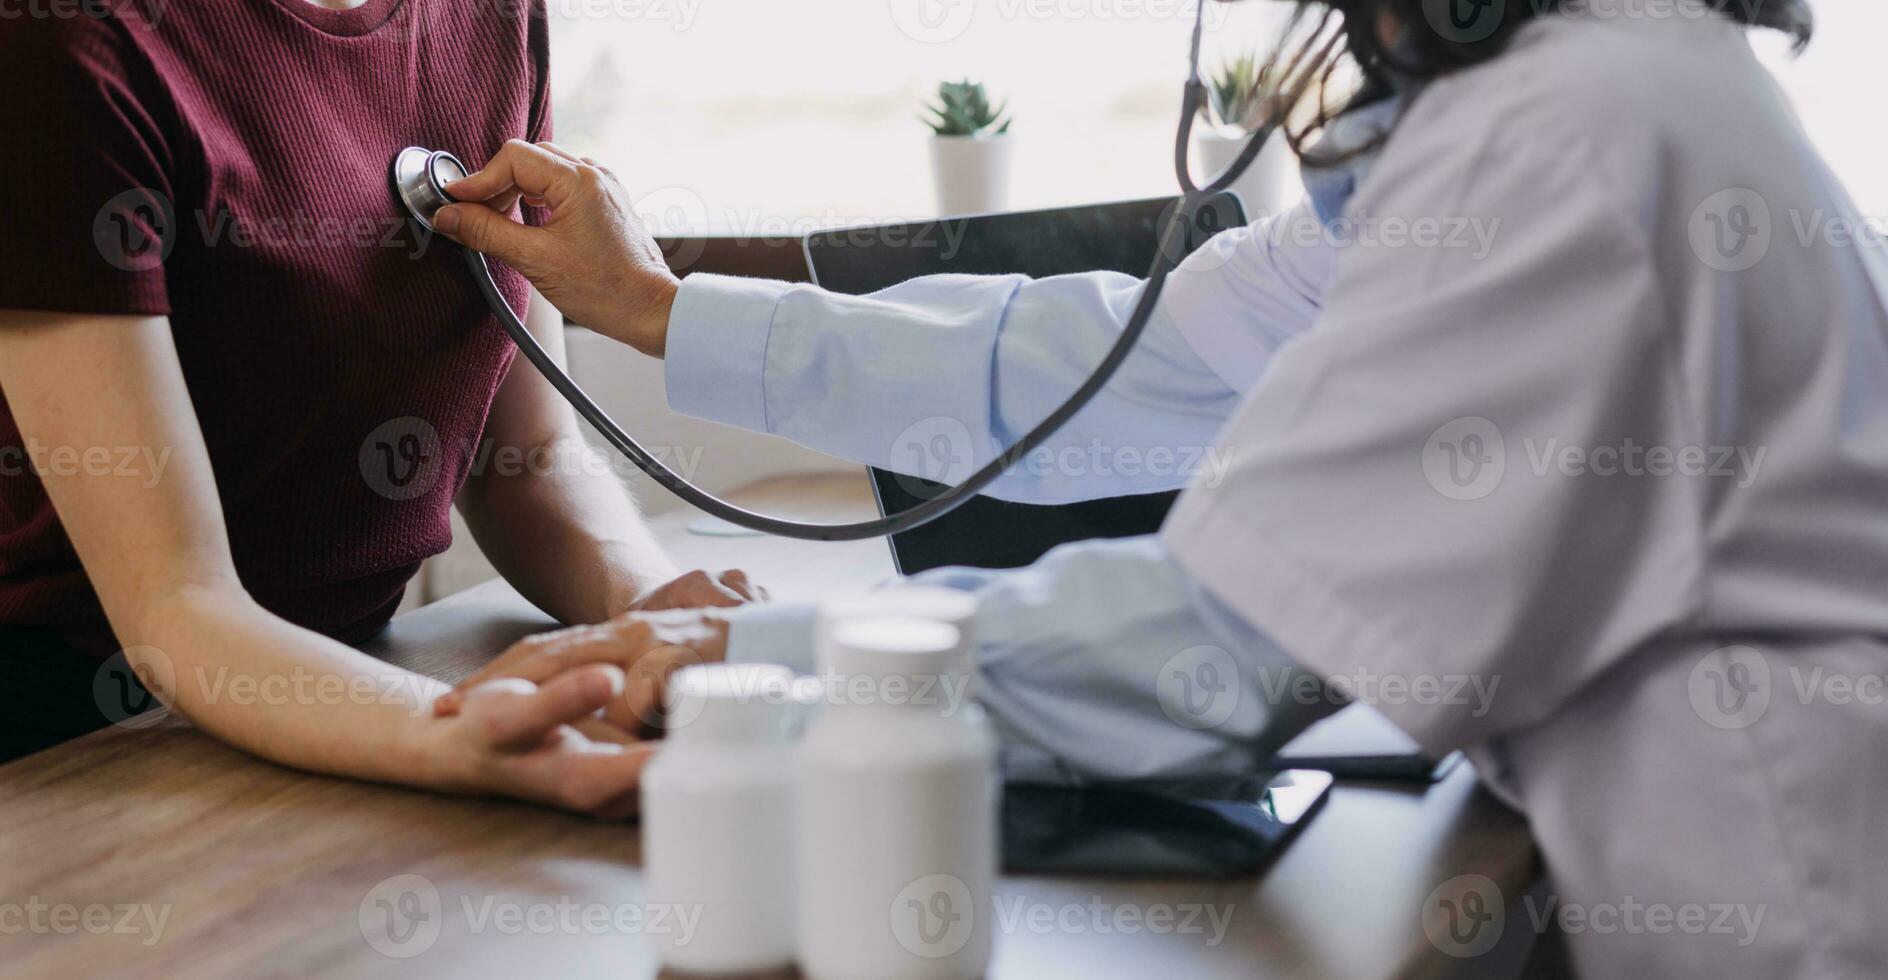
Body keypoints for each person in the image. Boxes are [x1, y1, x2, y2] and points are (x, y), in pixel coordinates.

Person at [430, 0, 1888, 974]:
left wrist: (739, 664)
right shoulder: (1574, 93)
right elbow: (1113, 370)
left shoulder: (1576, 132)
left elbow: (1213, 652)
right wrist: (662, 309)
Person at [0, 0, 755, 813]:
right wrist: (451, 730)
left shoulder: (494, 18)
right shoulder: (60, 42)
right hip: (78, 747)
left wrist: (648, 613)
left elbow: (526, 464)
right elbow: (174, 604)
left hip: (354, 688)